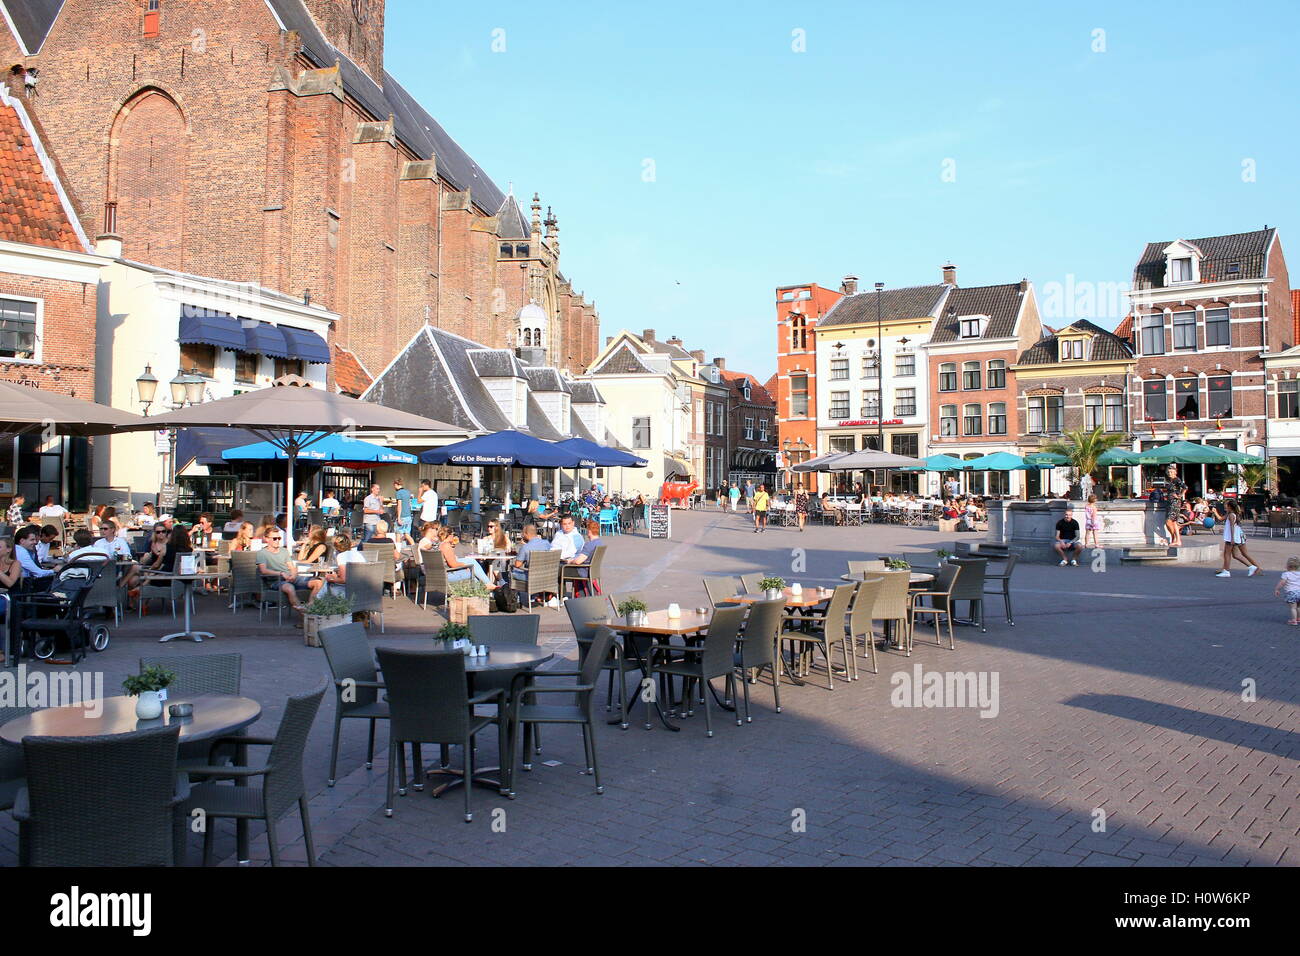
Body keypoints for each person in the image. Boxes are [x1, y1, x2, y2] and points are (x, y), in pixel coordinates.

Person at [256, 526, 322, 612]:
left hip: (291, 578)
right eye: (274, 538)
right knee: (289, 588)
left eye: (279, 538)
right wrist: (281, 573)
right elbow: (264, 571)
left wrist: (293, 575)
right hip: (275, 581)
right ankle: (302, 613)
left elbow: (292, 567)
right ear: (266, 539)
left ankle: (310, 607)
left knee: (318, 582)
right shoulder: (262, 553)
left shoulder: (284, 551)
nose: (277, 541)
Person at [1214, 500, 1259, 578]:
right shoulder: (1230, 514)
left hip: (1231, 537)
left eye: (1226, 504)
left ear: (1229, 506)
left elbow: (1232, 527)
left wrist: (1232, 538)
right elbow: (1221, 519)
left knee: (1227, 554)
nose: (1224, 506)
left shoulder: (1231, 515)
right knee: (1235, 555)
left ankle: (1226, 571)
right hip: (1233, 537)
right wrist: (1215, 512)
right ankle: (1251, 567)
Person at [562, 519, 602, 596]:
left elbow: (578, 562)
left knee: (560, 570)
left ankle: (561, 595)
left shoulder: (589, 545)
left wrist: (570, 561)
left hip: (583, 571)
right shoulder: (599, 542)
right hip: (592, 570)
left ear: (589, 531)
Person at [1274, 556, 1300, 625]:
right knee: (1298, 606)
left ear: (1288, 566)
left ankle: (1294, 621)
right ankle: (1299, 618)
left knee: (1293, 608)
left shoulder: (1286, 574)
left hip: (1291, 593)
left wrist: (1277, 589)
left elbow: (1282, 583)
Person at [392, 479, 414, 547]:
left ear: (396, 485)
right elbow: (409, 504)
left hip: (402, 516)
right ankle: (414, 547)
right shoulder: (407, 492)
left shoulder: (398, 493)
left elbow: (399, 505)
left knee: (398, 533)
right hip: (408, 516)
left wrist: (398, 518)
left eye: (394, 485)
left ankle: (398, 550)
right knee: (407, 534)